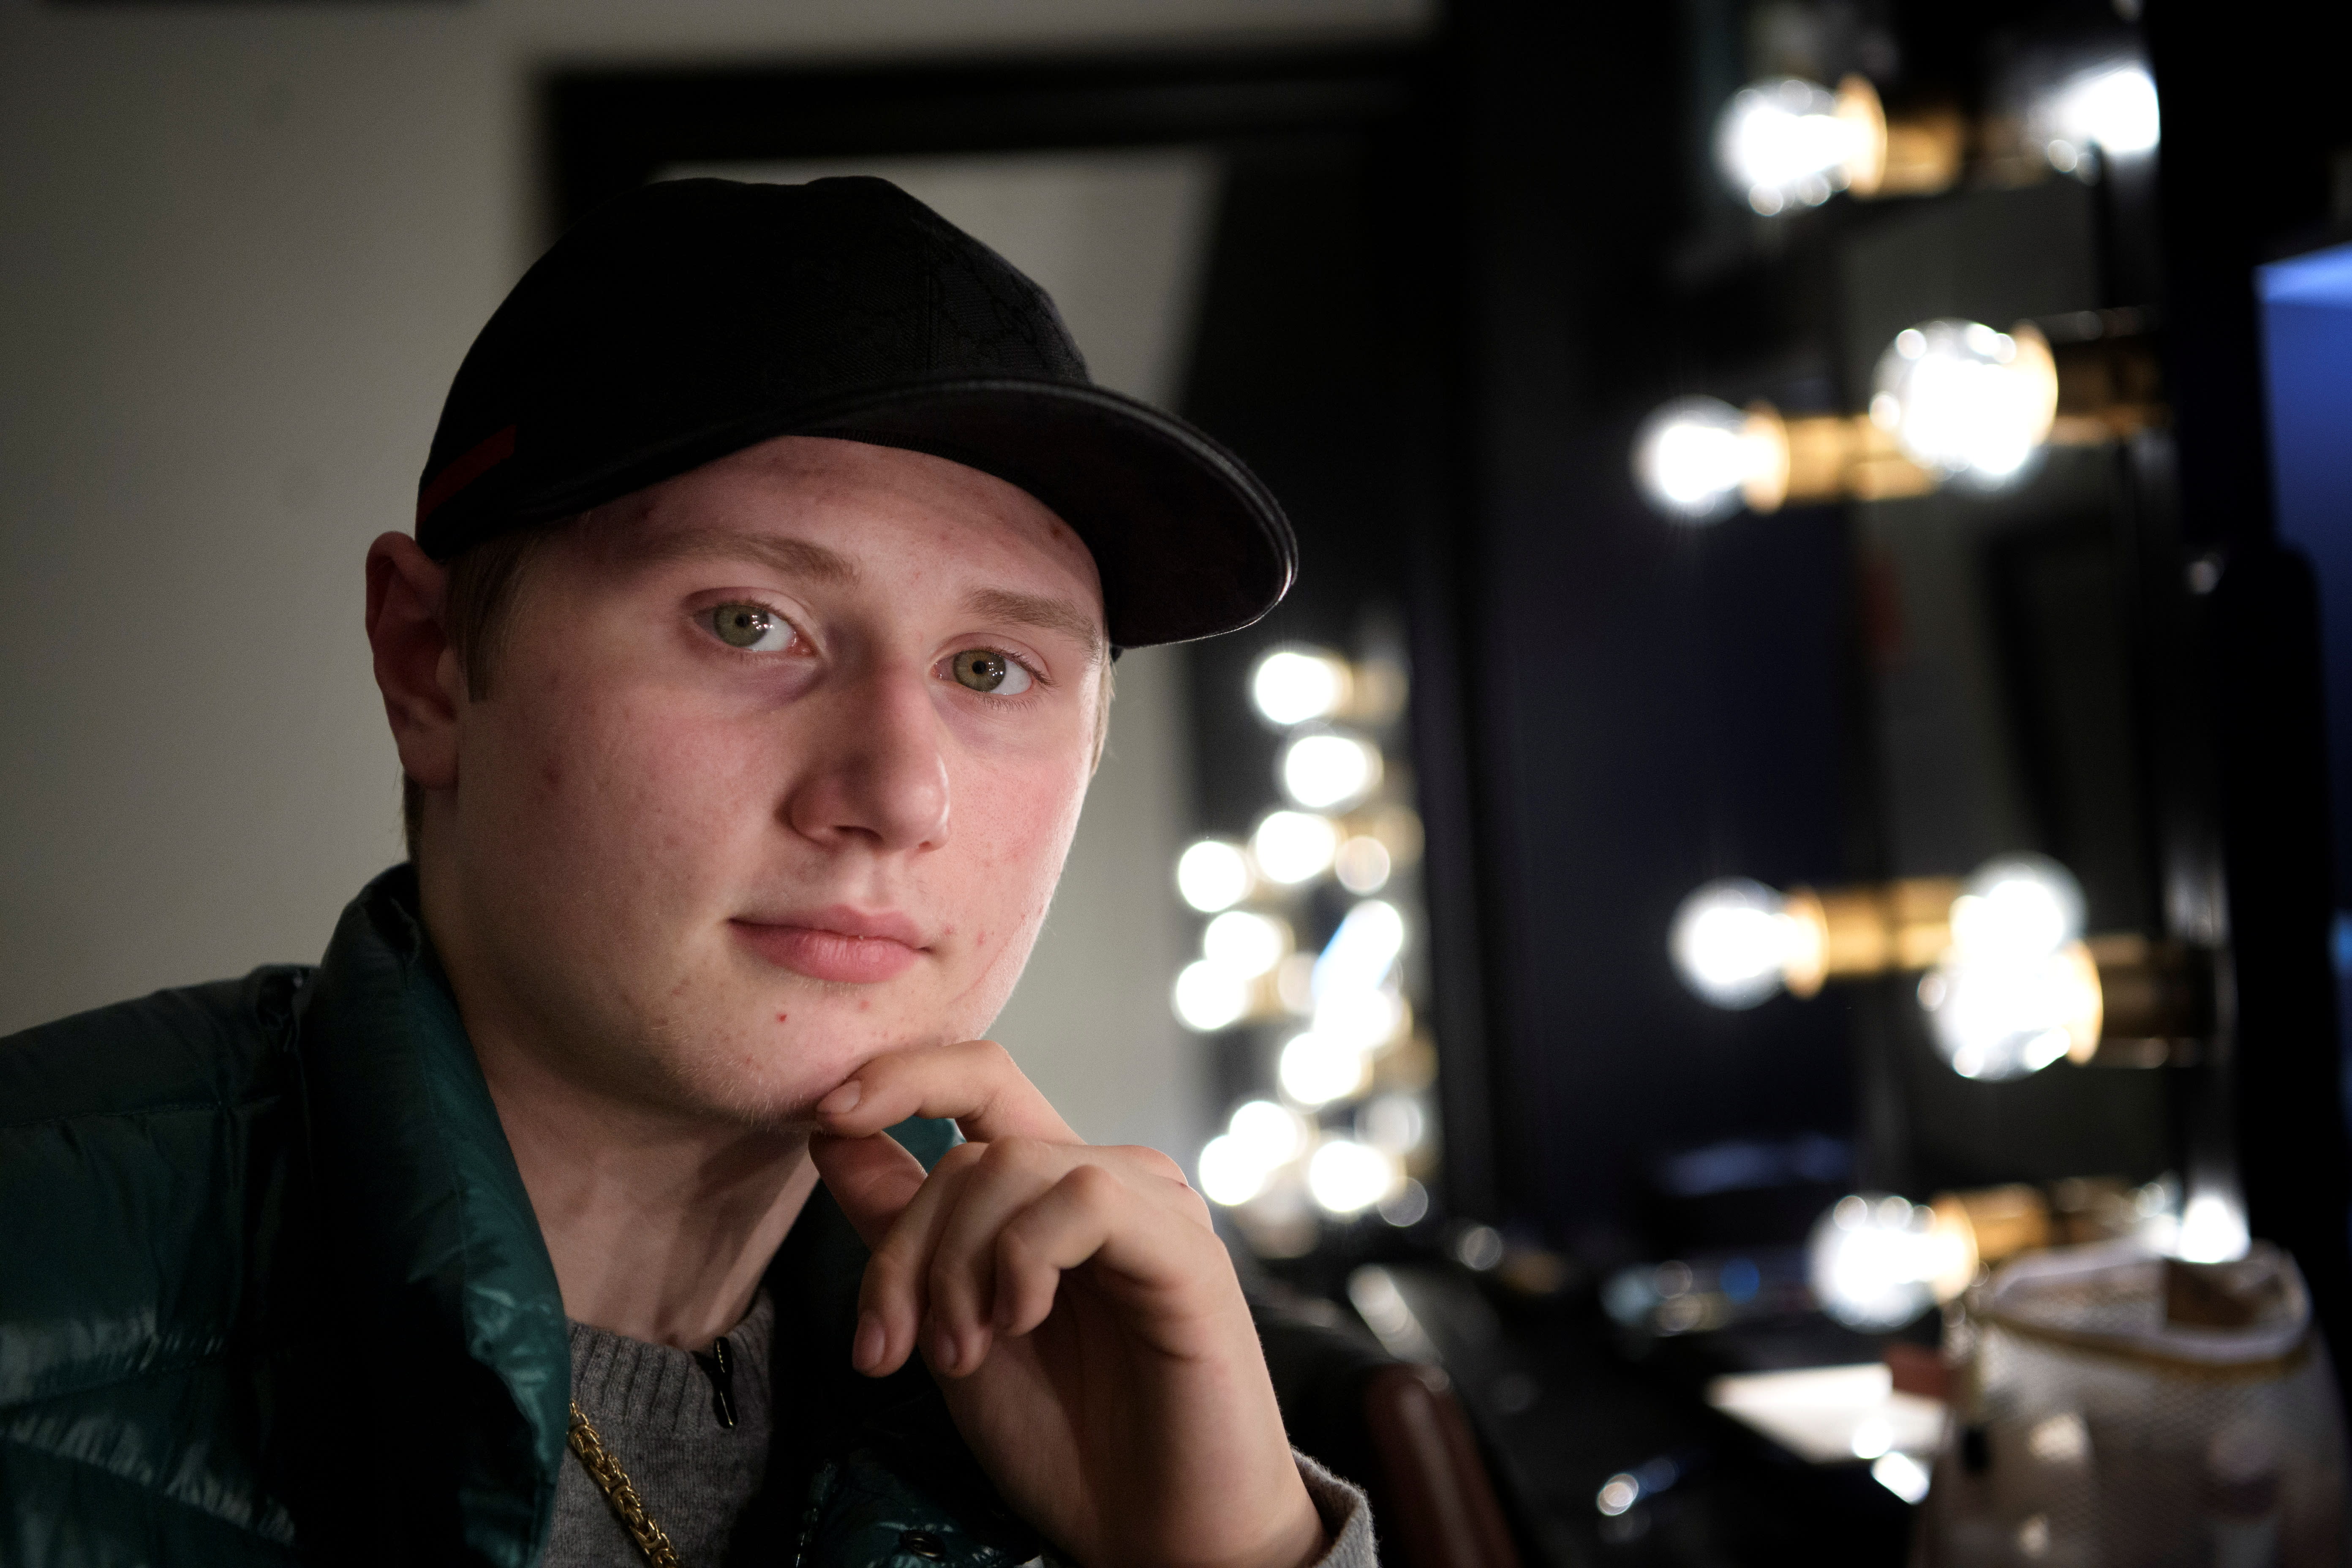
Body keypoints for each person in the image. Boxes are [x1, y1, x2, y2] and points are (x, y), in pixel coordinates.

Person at [0, 177, 1375, 1568]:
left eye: (989, 668)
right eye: (748, 623)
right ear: (430, 666)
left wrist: (1244, 1559)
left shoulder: (1097, 1394)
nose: (900, 795)